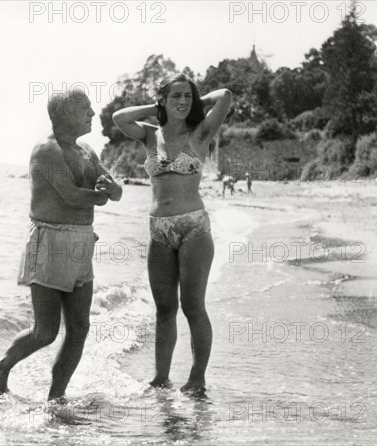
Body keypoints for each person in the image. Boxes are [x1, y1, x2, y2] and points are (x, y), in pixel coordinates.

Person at [0, 89, 122, 400]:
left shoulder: (86, 150)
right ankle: (2, 366)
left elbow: (115, 192)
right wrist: (103, 196)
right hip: (49, 241)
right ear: (63, 114)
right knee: (45, 332)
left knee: (79, 329)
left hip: (81, 244)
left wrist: (113, 190)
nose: (92, 113)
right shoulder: (46, 151)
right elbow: (71, 195)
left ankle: (56, 397)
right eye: (85, 108)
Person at [112, 74, 232, 394]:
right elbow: (119, 118)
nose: (182, 101)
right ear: (162, 100)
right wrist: (158, 106)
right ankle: (160, 376)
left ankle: (197, 377)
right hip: (158, 231)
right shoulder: (150, 136)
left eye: (186, 97)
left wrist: (195, 99)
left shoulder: (201, 132)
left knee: (192, 306)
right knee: (164, 309)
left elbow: (226, 96)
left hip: (193, 226)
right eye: (175, 96)